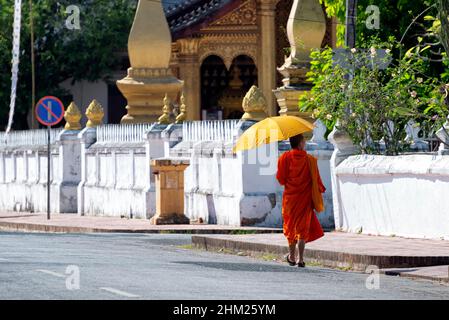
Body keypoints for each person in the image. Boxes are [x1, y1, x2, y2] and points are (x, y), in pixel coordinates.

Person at [276, 134, 326, 267]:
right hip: (305, 199)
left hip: (290, 201)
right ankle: (301, 259)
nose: (305, 143)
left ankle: (291, 256)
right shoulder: (310, 160)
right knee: (302, 230)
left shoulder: (284, 158)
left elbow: (281, 179)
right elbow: (318, 183)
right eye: (304, 141)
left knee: (290, 227)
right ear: (300, 144)